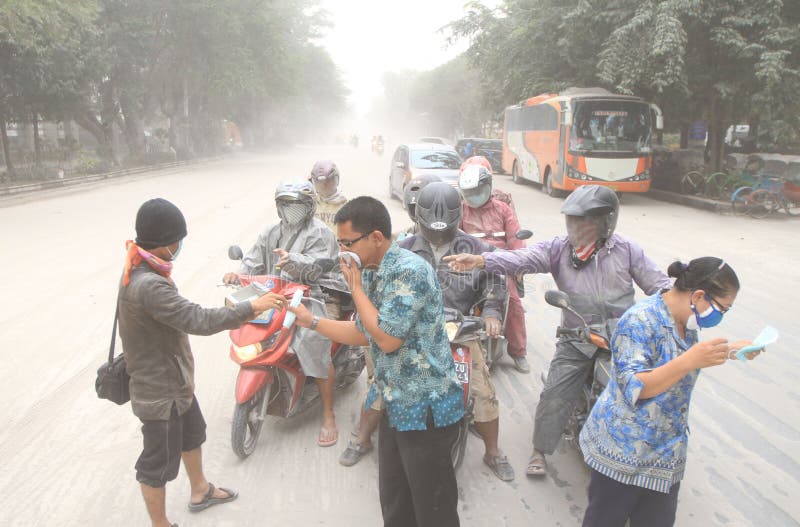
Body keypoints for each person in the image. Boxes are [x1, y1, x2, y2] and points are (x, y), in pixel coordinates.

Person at [444, 184, 672, 478]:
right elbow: (521, 258)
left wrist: (676, 301)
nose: (575, 227)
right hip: (577, 338)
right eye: (572, 220)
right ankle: (540, 450)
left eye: (583, 221)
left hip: (623, 338)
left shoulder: (627, 250)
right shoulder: (559, 249)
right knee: (554, 395)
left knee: (649, 388)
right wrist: (482, 260)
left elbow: (658, 285)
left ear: (606, 221)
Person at [288, 196, 463, 527]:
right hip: (395, 403)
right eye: (340, 243)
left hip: (426, 409)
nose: (343, 251)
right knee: (395, 501)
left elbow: (386, 338)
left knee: (433, 510)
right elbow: (362, 331)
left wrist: (355, 289)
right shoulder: (369, 271)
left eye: (347, 243)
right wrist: (311, 321)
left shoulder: (409, 271)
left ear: (377, 237)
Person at [119, 198, 286, 527]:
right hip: (160, 392)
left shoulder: (142, 267)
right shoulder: (149, 284)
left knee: (192, 435)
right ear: (167, 242)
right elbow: (198, 319)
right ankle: (160, 523)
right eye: (178, 239)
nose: (180, 246)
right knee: (156, 464)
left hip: (175, 382)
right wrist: (252, 308)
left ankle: (200, 490)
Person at [580, 257, 761, 526]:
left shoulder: (685, 322)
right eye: (722, 308)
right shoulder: (639, 320)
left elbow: (677, 358)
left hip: (665, 452)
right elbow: (637, 387)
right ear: (698, 296)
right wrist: (690, 360)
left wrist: (730, 350)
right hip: (623, 452)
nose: (721, 316)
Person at [399, 182, 515, 481]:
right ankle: (363, 436)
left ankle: (493, 451)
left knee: (482, 391)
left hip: (461, 331)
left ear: (458, 218)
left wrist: (491, 312)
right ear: (419, 218)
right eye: (431, 229)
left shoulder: (477, 249)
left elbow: (496, 278)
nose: (438, 235)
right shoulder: (402, 249)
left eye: (445, 229)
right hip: (414, 332)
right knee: (388, 388)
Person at [222, 181, 343, 447]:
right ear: (278, 207)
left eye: (297, 205)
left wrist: (294, 260)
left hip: (313, 294)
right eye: (286, 204)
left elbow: (321, 264)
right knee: (250, 329)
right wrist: (238, 275)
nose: (292, 210)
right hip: (275, 294)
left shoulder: (320, 233)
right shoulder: (270, 232)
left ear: (309, 206)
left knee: (315, 342)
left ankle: (328, 414)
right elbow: (252, 261)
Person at [458, 162, 530, 374]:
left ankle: (518, 352)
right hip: (470, 264)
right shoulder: (461, 211)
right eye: (469, 192)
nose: (473, 196)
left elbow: (516, 240)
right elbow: (454, 238)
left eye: (478, 191)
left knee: (514, 303)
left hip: (501, 265)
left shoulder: (503, 210)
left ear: (488, 187)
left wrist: (518, 263)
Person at [309, 160, 347, 231]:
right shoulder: (310, 205)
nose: (323, 186)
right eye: (320, 183)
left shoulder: (347, 206)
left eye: (328, 182)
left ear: (336, 180)